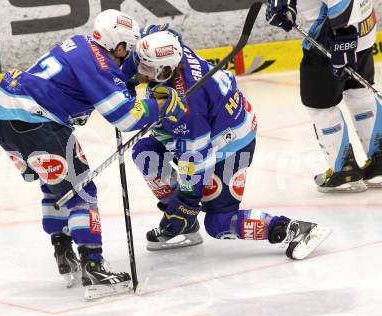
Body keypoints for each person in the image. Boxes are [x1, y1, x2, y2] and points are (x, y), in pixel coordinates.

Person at [0, 10, 186, 300]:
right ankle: (93, 266)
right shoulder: (100, 64)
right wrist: (160, 105)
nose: (131, 54)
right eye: (129, 49)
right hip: (37, 122)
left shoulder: (83, 44)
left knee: (55, 185)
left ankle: (63, 251)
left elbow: (110, 79)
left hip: (5, 119)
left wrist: (128, 80)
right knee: (82, 191)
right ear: (118, 47)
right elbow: (126, 118)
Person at [128, 30, 332, 259]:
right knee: (145, 153)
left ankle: (295, 229)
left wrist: (188, 202)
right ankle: (184, 222)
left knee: (218, 222)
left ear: (165, 70)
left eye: (146, 69)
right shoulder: (172, 51)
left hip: (230, 146)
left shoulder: (187, 106)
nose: (139, 71)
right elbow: (154, 36)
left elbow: (195, 158)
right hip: (211, 126)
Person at [266, 0, 382, 192]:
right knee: (360, 92)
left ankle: (343, 170)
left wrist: (345, 39)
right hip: (363, 28)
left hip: (336, 34)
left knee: (319, 104)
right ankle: (380, 162)